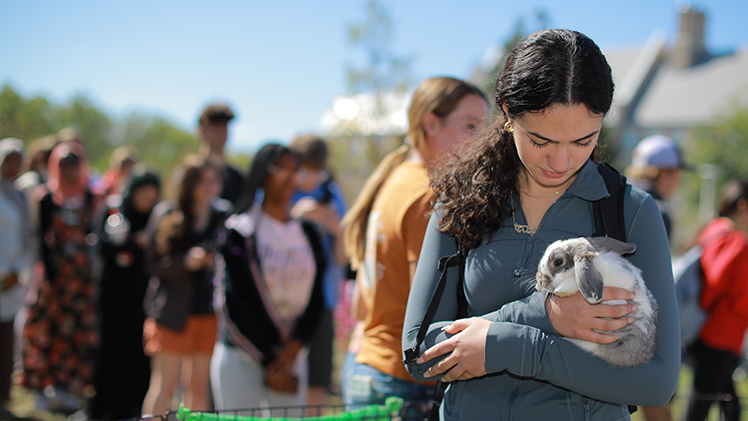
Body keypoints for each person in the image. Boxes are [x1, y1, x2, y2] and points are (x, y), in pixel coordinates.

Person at [402, 29, 680, 420]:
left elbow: (657, 382)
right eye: (541, 140)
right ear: (507, 114)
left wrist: (515, 346)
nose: (561, 162)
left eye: (583, 141)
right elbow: (418, 354)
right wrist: (546, 314)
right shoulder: (458, 203)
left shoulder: (631, 211)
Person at [341, 76, 488, 415]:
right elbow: (427, 306)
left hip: (372, 364)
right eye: (470, 126)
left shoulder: (396, 178)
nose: (481, 140)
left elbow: (362, 306)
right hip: (402, 380)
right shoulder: (428, 192)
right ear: (431, 124)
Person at [210, 143, 325, 416]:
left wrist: (294, 348)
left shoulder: (307, 233)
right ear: (262, 173)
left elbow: (317, 297)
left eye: (294, 170)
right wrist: (272, 359)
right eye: (281, 169)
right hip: (243, 355)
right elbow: (231, 303)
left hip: (291, 358)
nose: (289, 177)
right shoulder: (240, 231)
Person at [141, 155, 228, 417]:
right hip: (172, 314)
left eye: (213, 180)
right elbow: (151, 264)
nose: (208, 186)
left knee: (198, 388)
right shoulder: (168, 213)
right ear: (189, 183)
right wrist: (184, 262)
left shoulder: (223, 216)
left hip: (207, 314)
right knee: (165, 386)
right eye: (202, 180)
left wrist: (215, 262)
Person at [20, 141, 100, 414]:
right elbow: (42, 238)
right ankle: (40, 387)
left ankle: (67, 388)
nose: (69, 169)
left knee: (74, 332)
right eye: (63, 163)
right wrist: (51, 276)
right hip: (53, 279)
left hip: (80, 279)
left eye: (74, 163)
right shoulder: (45, 197)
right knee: (44, 331)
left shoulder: (89, 196)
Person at [88, 167, 161, 421]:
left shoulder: (155, 218)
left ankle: (134, 410)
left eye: (153, 197)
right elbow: (100, 246)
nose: (147, 202)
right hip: (113, 299)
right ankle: (104, 411)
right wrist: (129, 244)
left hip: (143, 302)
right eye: (144, 195)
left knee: (139, 360)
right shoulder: (113, 210)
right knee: (110, 356)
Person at [288, 133, 347, 410]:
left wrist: (336, 229)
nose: (310, 179)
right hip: (286, 302)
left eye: (317, 171)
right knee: (284, 381)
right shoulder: (280, 191)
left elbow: (342, 258)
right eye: (304, 171)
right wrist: (295, 217)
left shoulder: (332, 195)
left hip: (322, 302)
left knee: (317, 383)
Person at [684, 180, 748, 421]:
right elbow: (717, 281)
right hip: (721, 331)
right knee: (702, 403)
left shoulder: (713, 228)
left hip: (704, 326)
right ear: (743, 205)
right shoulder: (736, 240)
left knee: (727, 401)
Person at [0, 139, 33, 419]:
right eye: (8, 158)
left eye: (17, 159)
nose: (13, 165)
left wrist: (15, 270)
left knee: (6, 337)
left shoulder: (19, 196)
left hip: (11, 280)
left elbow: (27, 238)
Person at [626, 134, 687, 239]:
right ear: (663, 173)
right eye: (677, 173)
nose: (679, 180)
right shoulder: (656, 212)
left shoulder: (614, 195)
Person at [198, 102, 245, 205]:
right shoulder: (192, 173)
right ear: (202, 129)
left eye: (224, 126)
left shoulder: (238, 178)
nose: (221, 132)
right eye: (215, 126)